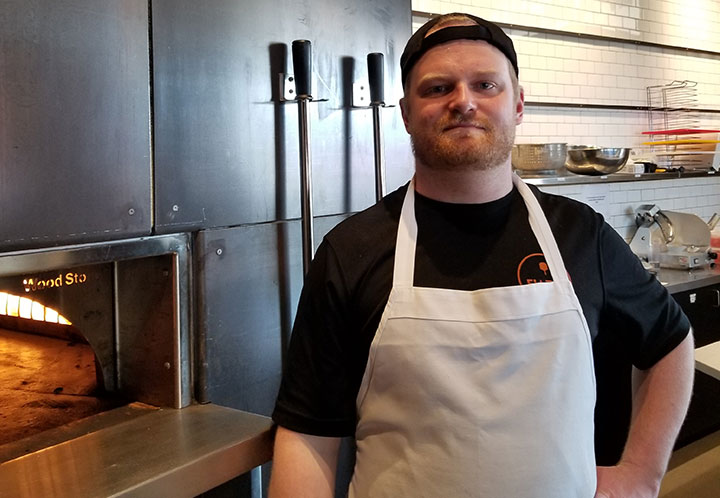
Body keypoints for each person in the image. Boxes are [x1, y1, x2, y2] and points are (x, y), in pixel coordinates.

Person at [269, 12, 694, 498]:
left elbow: (670, 342)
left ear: (517, 105)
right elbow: (308, 433)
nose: (463, 102)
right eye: (437, 88)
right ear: (406, 113)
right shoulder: (351, 250)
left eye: (485, 85)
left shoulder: (580, 233)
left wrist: (641, 475)